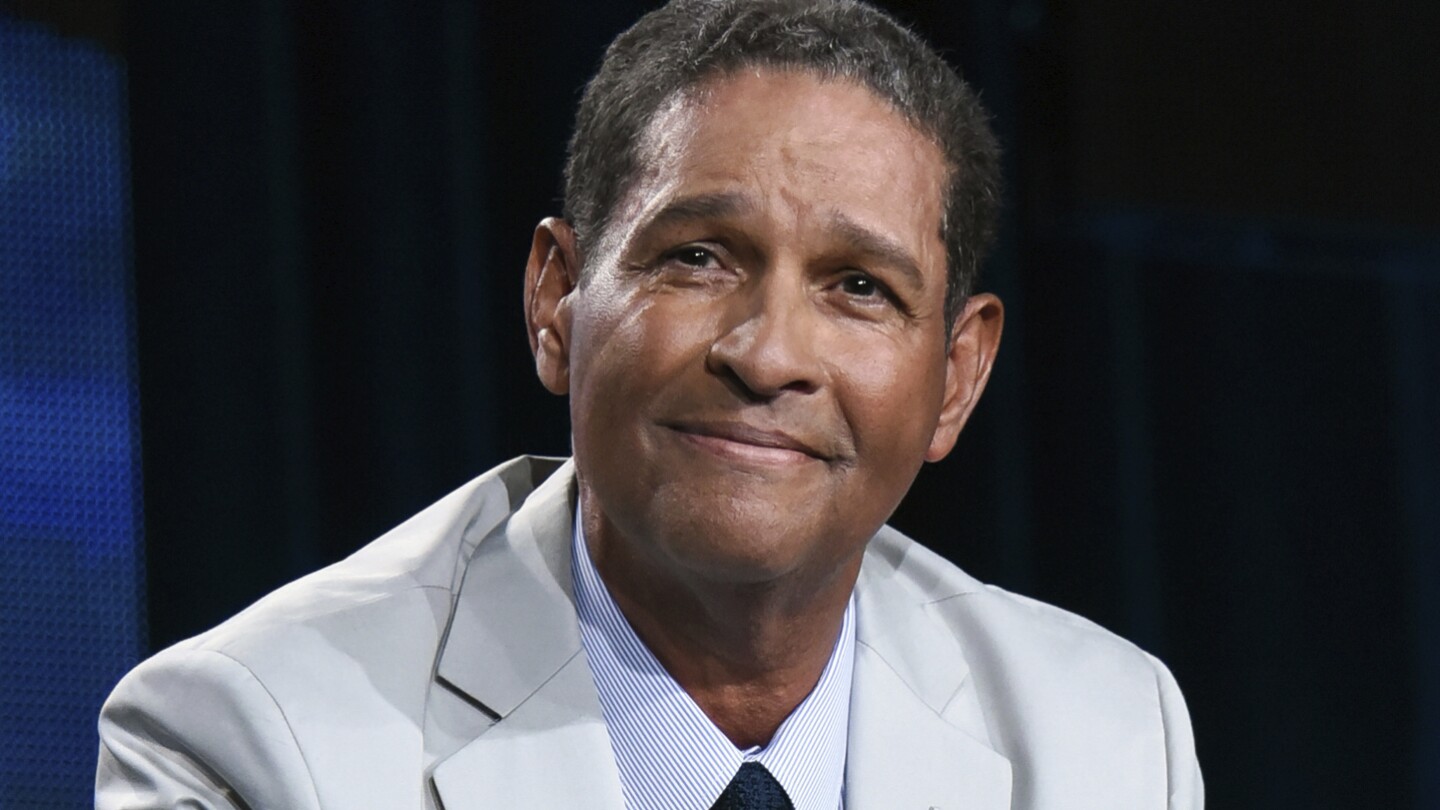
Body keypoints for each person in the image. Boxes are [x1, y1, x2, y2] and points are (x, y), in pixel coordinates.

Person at [96, 0, 1203, 807]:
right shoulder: (256, 739)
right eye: (699, 257)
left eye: (860, 288)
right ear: (556, 301)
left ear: (956, 377)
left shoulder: (1104, 742)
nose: (768, 355)